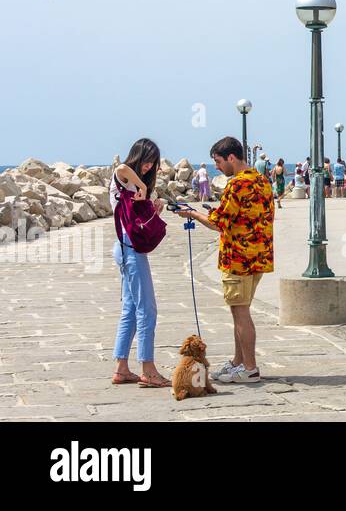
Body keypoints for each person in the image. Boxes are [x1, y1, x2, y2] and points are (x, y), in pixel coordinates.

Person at [178, 136, 275, 385]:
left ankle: (250, 368)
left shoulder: (236, 185)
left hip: (238, 258)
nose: (217, 167)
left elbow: (217, 223)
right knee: (239, 311)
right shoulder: (262, 181)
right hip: (258, 256)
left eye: (219, 162)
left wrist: (191, 213)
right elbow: (249, 216)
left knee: (240, 313)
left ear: (231, 157)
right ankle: (238, 363)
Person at [110, 138, 169, 389]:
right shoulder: (124, 177)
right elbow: (121, 169)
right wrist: (141, 187)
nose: (148, 166)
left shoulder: (136, 185)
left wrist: (154, 206)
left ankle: (121, 368)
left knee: (131, 310)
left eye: (152, 163)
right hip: (130, 250)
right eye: (146, 160)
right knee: (147, 309)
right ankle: (148, 369)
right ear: (137, 155)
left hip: (125, 248)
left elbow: (137, 219)